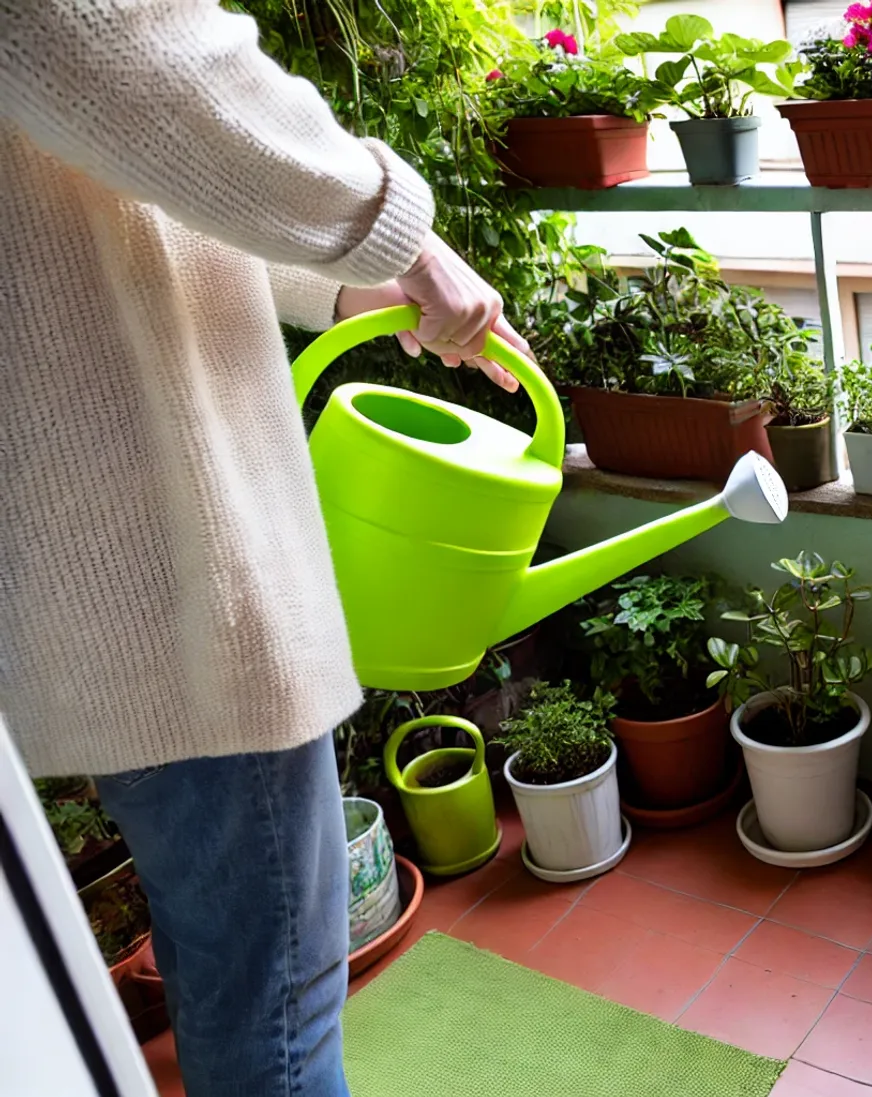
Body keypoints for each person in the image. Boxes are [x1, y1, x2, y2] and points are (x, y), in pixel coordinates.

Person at [0, 3, 531, 1093]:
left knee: (232, 970)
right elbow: (145, 63)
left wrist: (356, 282)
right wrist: (409, 237)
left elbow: (152, 185)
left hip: (120, 587)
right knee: (276, 1000)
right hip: (177, 577)